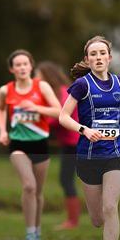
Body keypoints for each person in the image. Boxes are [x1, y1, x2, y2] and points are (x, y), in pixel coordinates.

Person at [59, 35, 120, 240]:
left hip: (115, 153)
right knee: (97, 219)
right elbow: (64, 116)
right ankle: (104, 232)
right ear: (87, 59)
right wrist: (84, 129)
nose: (98, 58)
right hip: (88, 156)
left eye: (102, 53)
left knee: (110, 206)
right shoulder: (82, 85)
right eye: (93, 54)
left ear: (109, 57)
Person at [0, 49, 61, 240]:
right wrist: (3, 131)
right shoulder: (5, 91)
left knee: (38, 193)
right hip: (18, 145)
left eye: (25, 64)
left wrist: (35, 108)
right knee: (29, 186)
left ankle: (38, 233)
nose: (22, 68)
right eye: (18, 65)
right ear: (11, 69)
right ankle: (30, 234)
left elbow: (58, 111)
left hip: (40, 144)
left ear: (31, 66)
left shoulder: (41, 86)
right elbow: (0, 109)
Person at [35, 61, 81, 230]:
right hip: (70, 144)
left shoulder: (62, 92)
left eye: (38, 75)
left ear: (47, 76)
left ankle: (73, 221)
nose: (36, 79)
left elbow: (58, 118)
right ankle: (73, 220)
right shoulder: (56, 93)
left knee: (66, 180)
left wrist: (36, 120)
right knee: (67, 180)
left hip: (76, 144)